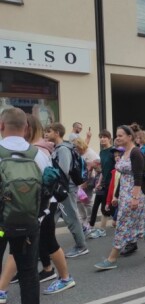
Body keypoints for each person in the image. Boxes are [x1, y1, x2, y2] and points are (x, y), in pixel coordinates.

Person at [94, 125, 145, 270]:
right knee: (144, 222)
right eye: (117, 135)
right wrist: (117, 195)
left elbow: (138, 177)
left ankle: (112, 259)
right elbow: (123, 176)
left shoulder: (135, 152)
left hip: (134, 195)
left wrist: (135, 198)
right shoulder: (124, 152)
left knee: (121, 224)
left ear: (130, 137)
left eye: (120, 135)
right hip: (125, 194)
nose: (117, 138)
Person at [0, 109, 51, 304]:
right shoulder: (39, 154)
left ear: (1, 125)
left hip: (1, 228)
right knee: (28, 274)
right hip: (29, 225)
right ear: (27, 127)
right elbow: (48, 191)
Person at [45, 123, 89, 258]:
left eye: (49, 131)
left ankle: (81, 246)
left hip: (65, 189)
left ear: (57, 133)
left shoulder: (63, 149)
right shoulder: (58, 148)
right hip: (59, 190)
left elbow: (63, 171)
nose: (46, 134)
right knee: (49, 219)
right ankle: (46, 247)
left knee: (71, 218)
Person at [87, 130, 115, 239]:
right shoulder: (102, 152)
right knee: (107, 204)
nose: (102, 139)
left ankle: (102, 229)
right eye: (101, 137)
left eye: (105, 137)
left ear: (109, 138)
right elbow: (103, 170)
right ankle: (111, 223)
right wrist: (99, 182)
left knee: (106, 205)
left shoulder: (113, 151)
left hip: (114, 182)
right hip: (105, 183)